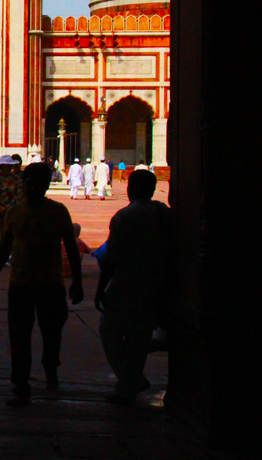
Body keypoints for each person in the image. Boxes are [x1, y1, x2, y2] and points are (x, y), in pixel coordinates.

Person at [0, 163, 83, 406]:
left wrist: (77, 281)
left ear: (46, 186)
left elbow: (71, 247)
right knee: (19, 337)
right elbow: (5, 246)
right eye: (30, 183)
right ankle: (21, 384)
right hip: (21, 283)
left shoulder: (58, 211)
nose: (33, 188)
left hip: (50, 282)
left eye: (39, 183)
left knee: (52, 333)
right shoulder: (15, 213)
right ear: (24, 183)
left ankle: (50, 368)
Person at [95, 170, 172, 405]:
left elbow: (113, 256)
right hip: (157, 282)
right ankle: (129, 383)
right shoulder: (164, 213)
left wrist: (101, 287)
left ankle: (130, 380)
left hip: (127, 281)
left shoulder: (125, 216)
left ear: (131, 188)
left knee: (110, 331)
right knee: (140, 336)